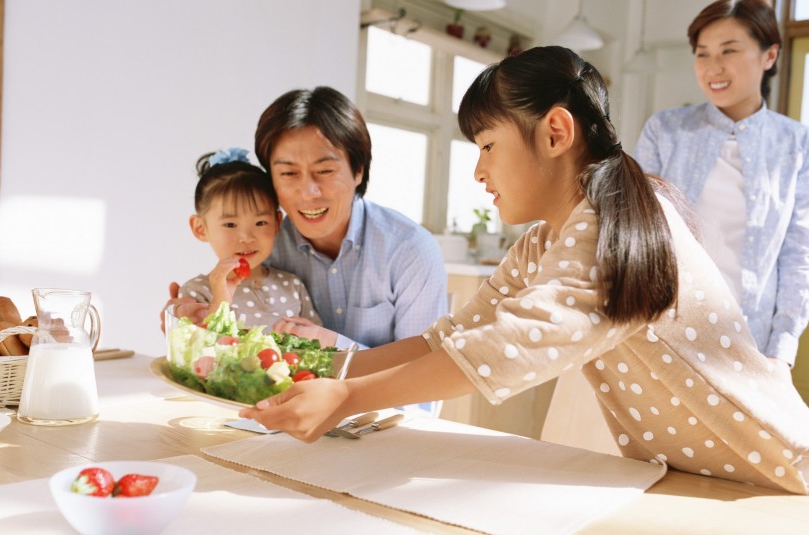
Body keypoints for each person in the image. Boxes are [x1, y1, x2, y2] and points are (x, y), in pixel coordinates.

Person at [239, 46, 809, 495]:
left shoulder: (618, 225)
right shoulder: (543, 241)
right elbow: (451, 337)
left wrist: (345, 397)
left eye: (487, 145)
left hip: (775, 475)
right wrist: (324, 370)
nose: (478, 171)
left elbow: (506, 346)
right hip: (698, 480)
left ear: (556, 133)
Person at [166, 88, 448, 352]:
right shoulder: (262, 243)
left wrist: (333, 345)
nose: (308, 192)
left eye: (325, 171)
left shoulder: (410, 250)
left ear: (358, 170)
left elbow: (422, 365)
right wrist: (186, 320)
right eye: (288, 173)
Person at [635, 0, 809, 377]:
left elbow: (800, 252)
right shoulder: (665, 130)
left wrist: (782, 351)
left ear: (769, 55)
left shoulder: (797, 144)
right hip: (664, 329)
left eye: (729, 51)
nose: (713, 67)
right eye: (702, 53)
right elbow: (639, 231)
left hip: (751, 342)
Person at [178, 148, 322, 329]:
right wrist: (220, 301)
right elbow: (196, 345)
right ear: (200, 228)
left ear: (277, 223)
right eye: (230, 224)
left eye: (260, 222)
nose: (246, 238)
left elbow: (322, 341)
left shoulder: (292, 285)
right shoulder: (197, 292)